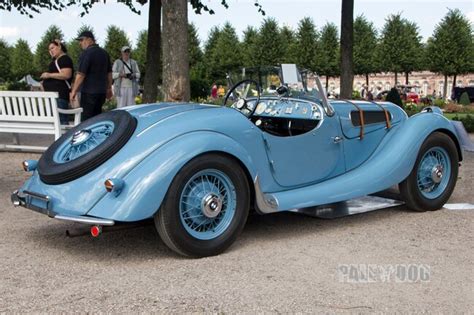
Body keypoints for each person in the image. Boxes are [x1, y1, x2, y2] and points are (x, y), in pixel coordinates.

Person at [70, 31, 112, 121]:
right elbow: (109, 73)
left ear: (89, 40)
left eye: (81, 40)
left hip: (88, 92)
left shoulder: (87, 53)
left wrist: (74, 91)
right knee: (97, 120)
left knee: (86, 121)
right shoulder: (105, 53)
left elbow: (81, 74)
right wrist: (109, 88)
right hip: (101, 92)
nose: (80, 43)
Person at [40, 39, 73, 124]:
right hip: (53, 96)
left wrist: (49, 75)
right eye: (49, 49)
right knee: (57, 121)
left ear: (59, 46)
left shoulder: (65, 59)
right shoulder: (55, 61)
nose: (50, 51)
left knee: (61, 121)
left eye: (52, 48)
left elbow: (66, 75)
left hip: (59, 95)